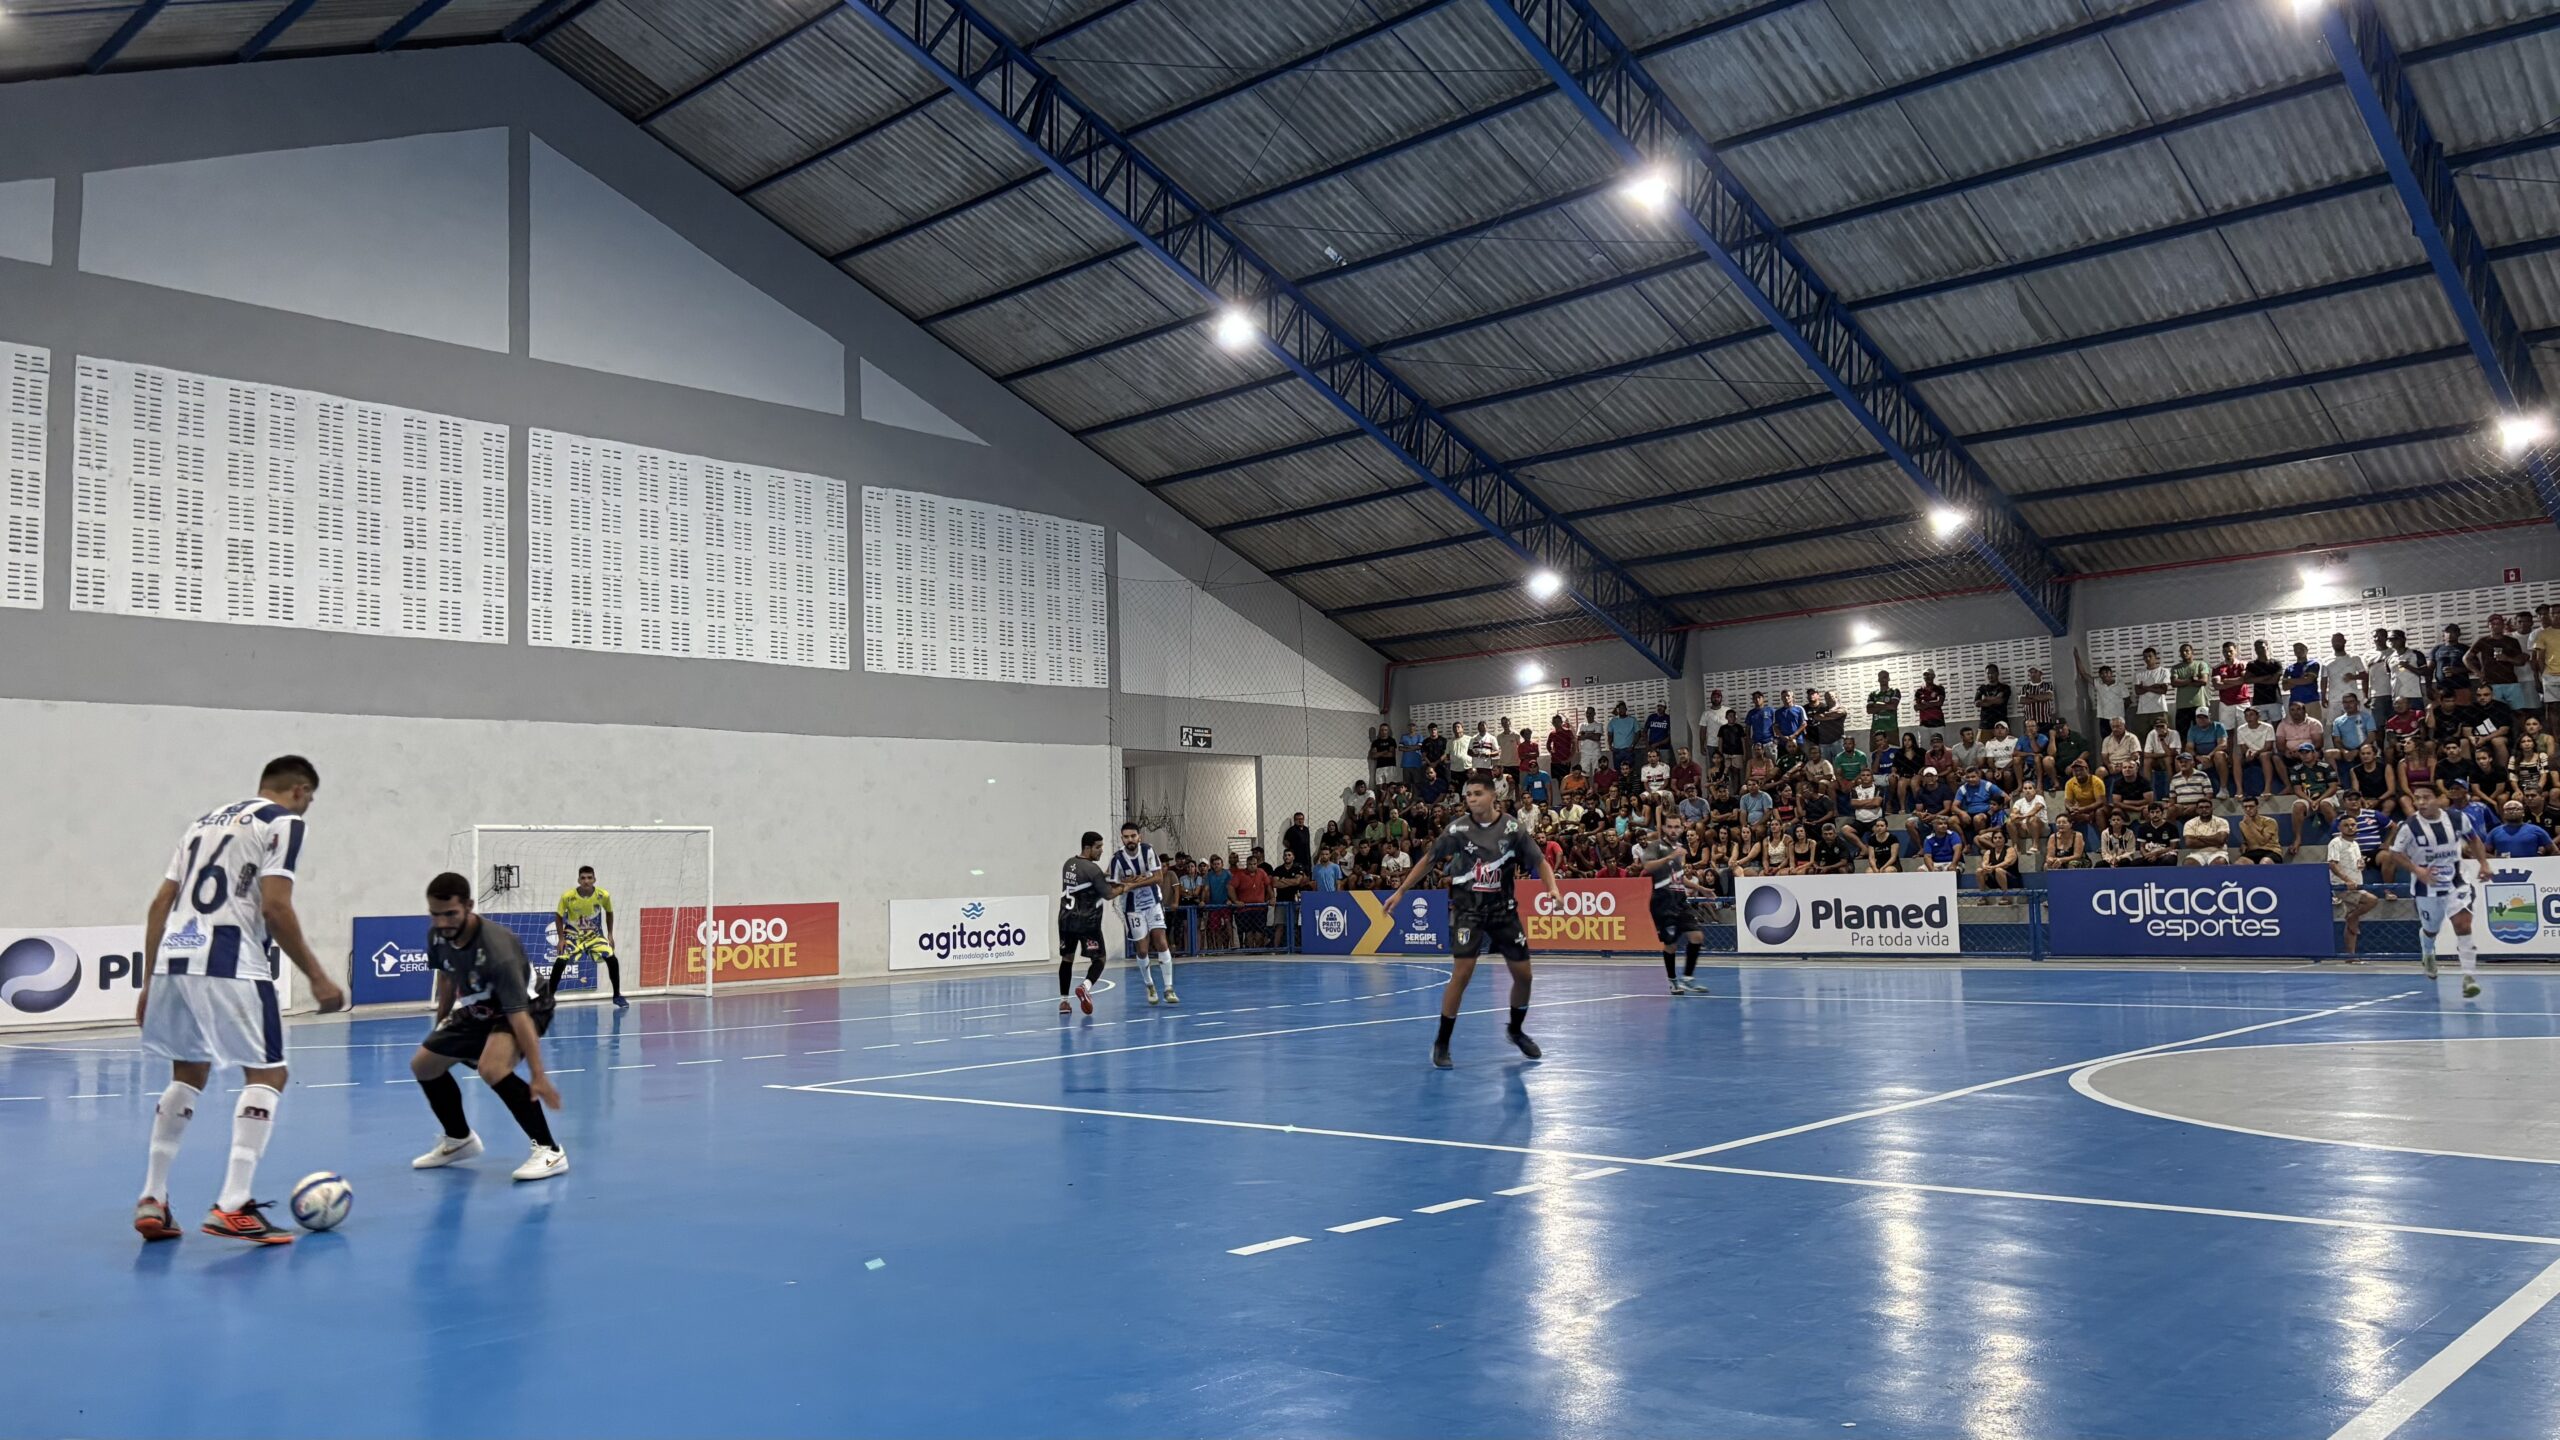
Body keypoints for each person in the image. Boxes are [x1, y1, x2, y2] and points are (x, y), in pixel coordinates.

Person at [132, 756, 347, 1245]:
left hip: (174, 960)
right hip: (231, 960)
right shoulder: (284, 822)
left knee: (188, 1072)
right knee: (269, 1073)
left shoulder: (200, 824)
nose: (308, 807)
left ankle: (153, 1197)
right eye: (310, 797)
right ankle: (233, 1204)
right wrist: (317, 976)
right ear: (298, 789)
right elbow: (274, 905)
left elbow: (160, 905)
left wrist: (149, 981)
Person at [1382, 774, 1562, 1068]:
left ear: (1493, 796)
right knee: (1462, 973)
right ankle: (1442, 1042)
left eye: (1478, 793)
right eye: (1468, 794)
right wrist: (1401, 891)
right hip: (1469, 912)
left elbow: (1540, 861)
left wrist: (1552, 888)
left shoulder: (1513, 829)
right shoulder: (1458, 829)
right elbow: (1428, 860)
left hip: (1503, 911)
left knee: (1524, 976)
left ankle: (1515, 1030)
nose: (1472, 798)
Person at [406, 870, 568, 1180]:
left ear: (468, 906)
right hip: (478, 1006)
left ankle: (549, 1150)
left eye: (450, 914)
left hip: (528, 1005)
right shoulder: (438, 935)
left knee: (492, 1068)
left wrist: (538, 1075)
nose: (442, 922)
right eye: (435, 914)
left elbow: (519, 1016)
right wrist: (442, 1024)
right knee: (424, 1065)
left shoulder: (498, 948)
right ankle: (458, 1139)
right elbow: (447, 975)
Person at [2390, 782, 2485, 994]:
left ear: (2440, 798)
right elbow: (2395, 853)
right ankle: (2427, 951)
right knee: (2431, 929)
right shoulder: (2410, 826)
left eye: (2426, 797)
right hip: (2427, 887)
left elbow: (2474, 839)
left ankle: (2469, 977)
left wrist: (2484, 864)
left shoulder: (2457, 818)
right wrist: (2418, 870)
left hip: (2457, 881)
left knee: (2462, 924)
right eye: (2417, 798)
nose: (2421, 802)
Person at [1109, 823, 1178, 1004]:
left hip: (1153, 902)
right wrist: (1125, 883)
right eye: (1126, 837)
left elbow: (1158, 878)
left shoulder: (1148, 851)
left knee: (1161, 941)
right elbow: (1113, 886)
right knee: (1142, 949)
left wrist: (1133, 884)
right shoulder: (1117, 859)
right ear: (1122, 838)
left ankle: (1169, 988)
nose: (1130, 840)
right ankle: (1149, 985)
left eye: (1133, 836)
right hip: (1133, 908)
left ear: (1139, 837)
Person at [1636, 830, 1708, 995]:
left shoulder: (1675, 856)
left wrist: (1701, 888)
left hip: (1679, 901)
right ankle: (1673, 981)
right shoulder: (1654, 858)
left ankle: (1688, 979)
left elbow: (1680, 878)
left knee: (1696, 937)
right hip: (1663, 903)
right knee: (1671, 945)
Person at [554, 865, 626, 1009]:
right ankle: (548, 999)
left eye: (589, 878)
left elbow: (609, 913)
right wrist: (561, 939)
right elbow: (558, 916)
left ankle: (617, 995)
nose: (586, 881)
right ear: (578, 880)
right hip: (573, 935)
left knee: (612, 958)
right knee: (561, 960)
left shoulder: (603, 895)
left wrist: (610, 935)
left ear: (594, 879)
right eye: (583, 878)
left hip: (594, 936)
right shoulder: (567, 896)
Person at [2326, 821, 2379, 960]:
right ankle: (2351, 916)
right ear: (2339, 827)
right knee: (2372, 900)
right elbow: (2332, 864)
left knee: (2353, 922)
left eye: (2353, 825)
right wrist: (2346, 880)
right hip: (2342, 886)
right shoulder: (2336, 842)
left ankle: (2351, 956)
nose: (2350, 827)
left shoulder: (2355, 844)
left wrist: (2361, 865)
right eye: (2346, 825)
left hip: (2356, 885)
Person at [2234, 797, 2284, 865]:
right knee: (2239, 863)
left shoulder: (2269, 822)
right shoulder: (2242, 824)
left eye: (2251, 806)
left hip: (2271, 851)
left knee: (2264, 863)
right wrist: (2244, 846)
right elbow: (2247, 841)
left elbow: (2262, 841)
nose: (2248, 809)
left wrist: (2250, 824)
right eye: (2245, 807)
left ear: (2257, 807)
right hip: (2253, 852)